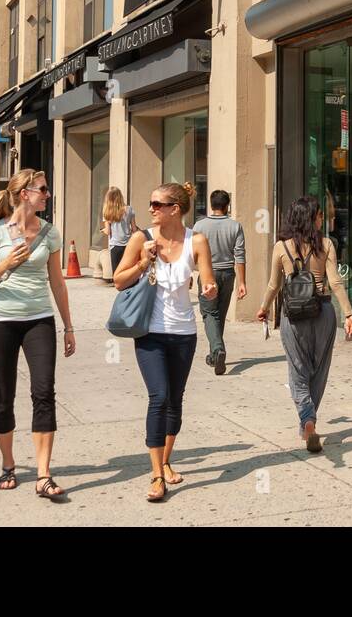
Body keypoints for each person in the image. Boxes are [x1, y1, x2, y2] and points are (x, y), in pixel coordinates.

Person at [0, 169, 75, 500]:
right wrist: (4, 265)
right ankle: (8, 463)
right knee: (4, 393)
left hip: (39, 319)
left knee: (44, 391)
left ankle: (43, 474)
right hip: (0, 321)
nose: (47, 194)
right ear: (25, 193)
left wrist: (68, 326)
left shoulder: (50, 233)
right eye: (43, 189)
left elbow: (57, 281)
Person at [114, 182, 217, 501]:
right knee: (158, 397)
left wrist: (210, 288)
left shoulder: (196, 240)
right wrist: (144, 262)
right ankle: (157, 475)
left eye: (157, 204)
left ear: (175, 209)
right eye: (151, 204)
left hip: (184, 332)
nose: (151, 209)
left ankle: (167, 459)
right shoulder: (140, 239)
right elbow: (118, 280)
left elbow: (207, 279)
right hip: (150, 331)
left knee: (176, 398)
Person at [256, 196, 352, 453]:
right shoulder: (326, 244)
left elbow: (274, 285)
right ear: (311, 218)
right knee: (319, 369)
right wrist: (348, 313)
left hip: (294, 315)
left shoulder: (281, 247)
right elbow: (335, 282)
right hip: (323, 311)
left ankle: (307, 421)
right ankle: (309, 420)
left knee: (298, 370)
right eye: (320, 215)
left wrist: (264, 308)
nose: (323, 218)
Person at [193, 189, 246, 375]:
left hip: (208, 274)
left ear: (211, 204)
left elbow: (192, 253)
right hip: (228, 275)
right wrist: (242, 282)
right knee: (219, 315)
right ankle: (215, 353)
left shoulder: (199, 226)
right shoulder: (235, 226)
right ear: (227, 206)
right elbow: (239, 255)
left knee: (209, 313)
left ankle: (217, 350)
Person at [101, 186, 135, 277]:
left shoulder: (107, 212)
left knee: (117, 274)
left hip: (115, 246)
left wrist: (103, 230)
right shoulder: (129, 209)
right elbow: (134, 229)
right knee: (128, 272)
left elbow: (108, 232)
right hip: (128, 245)